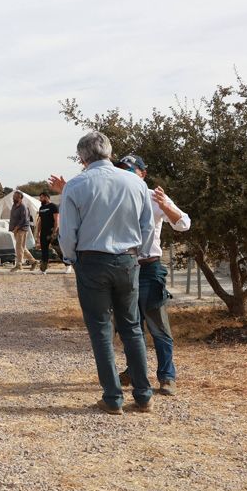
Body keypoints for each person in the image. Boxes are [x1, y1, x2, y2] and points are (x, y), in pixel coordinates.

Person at [53, 131, 154, 414]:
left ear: (82, 157)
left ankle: (113, 397)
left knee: (100, 329)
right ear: (110, 152)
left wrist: (71, 258)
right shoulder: (135, 182)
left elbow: (68, 231)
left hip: (92, 261)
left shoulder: (76, 185)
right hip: (128, 260)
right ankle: (144, 394)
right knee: (132, 328)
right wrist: (140, 254)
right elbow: (147, 226)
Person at [118, 154, 192, 396]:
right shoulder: (115, 196)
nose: (126, 172)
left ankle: (167, 377)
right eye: (122, 168)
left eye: (131, 169)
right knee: (131, 327)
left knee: (158, 326)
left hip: (149, 268)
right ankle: (134, 372)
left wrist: (166, 206)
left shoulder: (154, 197)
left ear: (143, 173)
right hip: (124, 268)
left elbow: (183, 224)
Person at [8, 191, 38, 272]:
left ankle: (19, 265)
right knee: (22, 248)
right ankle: (34, 262)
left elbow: (24, 220)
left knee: (18, 247)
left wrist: (17, 228)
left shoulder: (23, 207)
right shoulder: (14, 206)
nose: (14, 198)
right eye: (14, 196)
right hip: (15, 229)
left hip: (22, 229)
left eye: (16, 197)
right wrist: (13, 228)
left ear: (20, 198)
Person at [36, 192, 59, 273]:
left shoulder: (53, 206)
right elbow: (40, 221)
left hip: (52, 231)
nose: (40, 199)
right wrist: (38, 232)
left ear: (46, 197)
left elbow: (56, 220)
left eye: (41, 197)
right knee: (44, 251)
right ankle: (43, 269)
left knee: (58, 249)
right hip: (44, 232)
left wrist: (54, 232)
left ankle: (68, 265)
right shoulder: (41, 208)